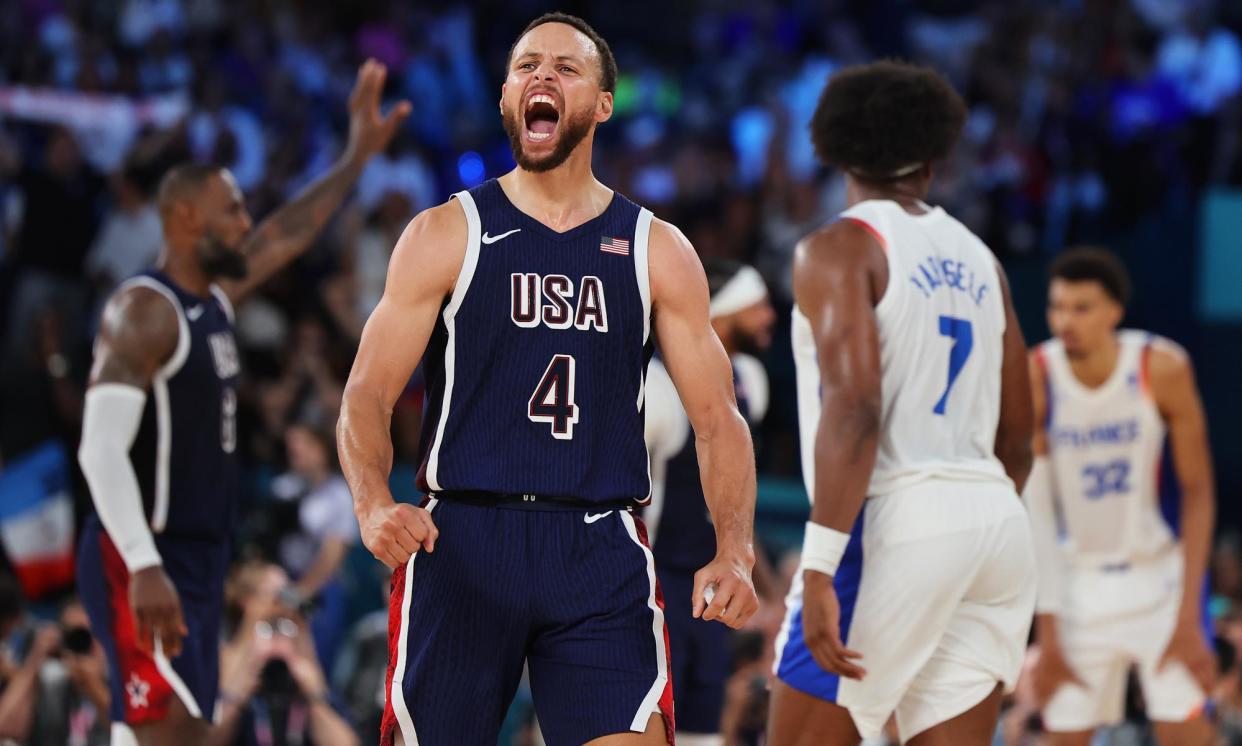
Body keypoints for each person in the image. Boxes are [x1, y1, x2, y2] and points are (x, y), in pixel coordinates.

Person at [337, 13, 760, 746]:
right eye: (526, 65)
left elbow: (719, 419)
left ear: (602, 105)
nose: (541, 77)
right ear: (505, 97)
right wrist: (373, 502)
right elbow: (367, 395)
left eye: (565, 68)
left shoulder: (656, 248)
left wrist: (736, 549)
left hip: (597, 543)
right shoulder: (446, 232)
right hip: (463, 535)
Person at [74, 59, 410, 746]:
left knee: (166, 734)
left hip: (195, 557)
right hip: (146, 553)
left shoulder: (212, 302)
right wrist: (142, 563)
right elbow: (99, 448)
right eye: (232, 209)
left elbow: (287, 235)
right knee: (162, 734)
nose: (245, 219)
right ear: (185, 217)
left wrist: (352, 160)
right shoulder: (145, 311)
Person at [767, 61, 1037, 746]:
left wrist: (822, 563)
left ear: (832, 147)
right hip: (997, 523)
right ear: (936, 154)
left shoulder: (838, 247)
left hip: (896, 518)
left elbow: (855, 407)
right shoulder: (982, 259)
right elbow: (1019, 434)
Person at [1025, 247, 1217, 745]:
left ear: (1115, 310)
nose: (1066, 320)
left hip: (1158, 577)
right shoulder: (1038, 374)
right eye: (1057, 307)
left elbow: (1198, 493)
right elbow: (1038, 510)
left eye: (1082, 307)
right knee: (1063, 735)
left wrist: (1190, 613)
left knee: (1187, 732)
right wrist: (1047, 634)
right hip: (1076, 585)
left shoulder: (1162, 366)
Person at [643, 258, 775, 745]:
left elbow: (737, 496)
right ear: (724, 310)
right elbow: (639, 503)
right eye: (756, 305)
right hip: (663, 582)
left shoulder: (751, 382)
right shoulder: (656, 386)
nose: (769, 317)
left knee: (706, 730)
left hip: (715, 581)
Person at [217, 561, 360, 746]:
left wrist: (313, 694)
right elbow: (205, 739)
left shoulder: (298, 653)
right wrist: (238, 695)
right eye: (275, 595)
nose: (283, 603)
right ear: (246, 601)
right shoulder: (223, 658)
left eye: (287, 592)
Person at [274, 422, 359, 674]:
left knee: (315, 669)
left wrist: (299, 593)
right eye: (292, 446)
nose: (296, 450)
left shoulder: (338, 494)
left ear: (322, 449)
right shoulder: (283, 488)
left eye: (304, 444)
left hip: (321, 592)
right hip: (282, 583)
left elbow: (333, 555)